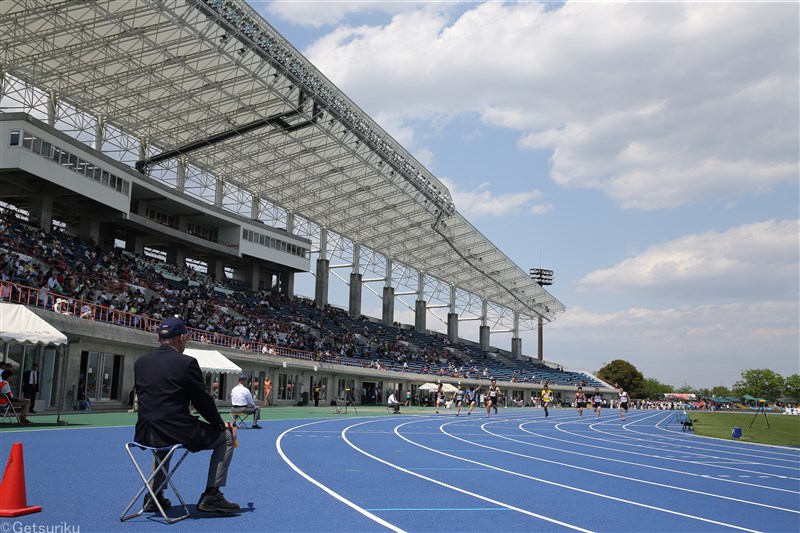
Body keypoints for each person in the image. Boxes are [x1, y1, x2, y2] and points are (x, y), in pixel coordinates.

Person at [134, 317, 240, 514]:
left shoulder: (141, 362)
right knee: (227, 437)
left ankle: (153, 496)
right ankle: (212, 495)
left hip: (145, 431)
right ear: (181, 337)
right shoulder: (186, 363)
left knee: (162, 440)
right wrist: (219, 425)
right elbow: (202, 401)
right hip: (176, 430)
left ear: (159, 339)